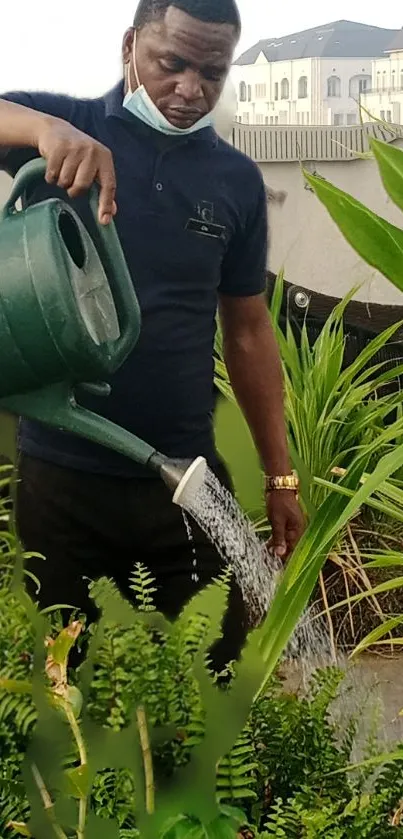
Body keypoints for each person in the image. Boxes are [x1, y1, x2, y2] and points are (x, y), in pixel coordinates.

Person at [0, 0, 304, 668]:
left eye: (212, 72)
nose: (190, 89)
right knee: (58, 692)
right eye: (172, 63)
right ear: (130, 45)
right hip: (61, 476)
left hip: (184, 480)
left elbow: (249, 331)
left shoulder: (233, 181)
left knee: (214, 686)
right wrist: (43, 130)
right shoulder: (70, 127)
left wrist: (280, 475)